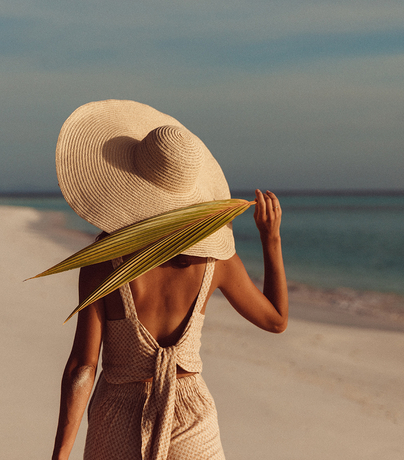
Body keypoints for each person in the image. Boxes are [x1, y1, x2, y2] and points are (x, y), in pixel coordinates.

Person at [51, 100, 288, 460]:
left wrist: (60, 455)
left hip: (117, 419)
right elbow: (275, 321)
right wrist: (271, 241)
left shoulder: (103, 264)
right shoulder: (216, 261)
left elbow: (82, 369)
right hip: (191, 416)